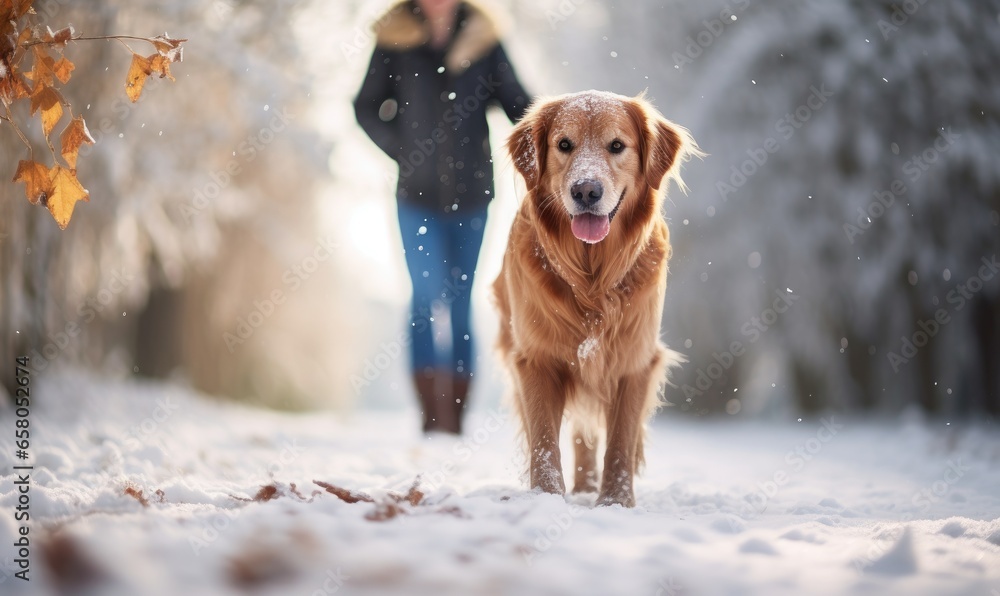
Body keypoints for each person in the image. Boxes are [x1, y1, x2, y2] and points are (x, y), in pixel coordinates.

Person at [354, 0, 529, 434]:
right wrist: (405, 152)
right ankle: (431, 416)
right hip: (416, 197)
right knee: (423, 297)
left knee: (461, 302)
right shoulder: (393, 37)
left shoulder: (485, 38)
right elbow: (365, 107)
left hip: (473, 197)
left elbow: (520, 107)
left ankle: (456, 419)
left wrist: (557, 141)